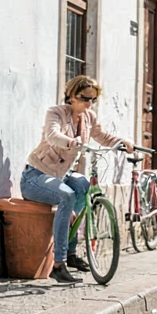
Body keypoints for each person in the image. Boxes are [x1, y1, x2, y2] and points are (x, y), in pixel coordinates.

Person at [22, 75, 135, 284]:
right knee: (67, 195)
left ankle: (72, 253)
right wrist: (72, 142)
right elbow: (52, 135)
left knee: (83, 184)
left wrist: (123, 141)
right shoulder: (55, 113)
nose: (89, 103)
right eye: (85, 98)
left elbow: (103, 136)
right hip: (36, 176)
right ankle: (58, 264)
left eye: (93, 99)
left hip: (61, 176)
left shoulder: (89, 117)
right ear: (72, 96)